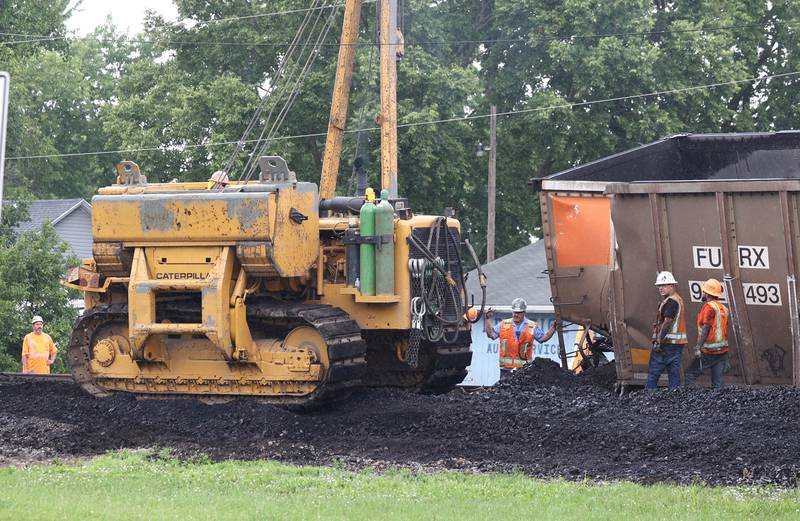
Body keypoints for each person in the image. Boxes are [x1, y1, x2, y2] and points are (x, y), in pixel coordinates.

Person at [485, 298, 558, 377]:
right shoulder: (503, 324)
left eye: (519, 313)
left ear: (524, 313)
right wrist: (488, 319)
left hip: (524, 370)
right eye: (514, 312)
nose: (516, 315)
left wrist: (553, 328)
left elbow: (543, 338)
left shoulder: (531, 326)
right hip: (506, 370)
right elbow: (491, 335)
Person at [685, 278, 730, 388]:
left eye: (704, 291)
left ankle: (692, 401)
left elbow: (706, 327)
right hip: (722, 351)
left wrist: (698, 346)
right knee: (717, 382)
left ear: (708, 293)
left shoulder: (708, 307)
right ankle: (719, 403)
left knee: (689, 374)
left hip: (709, 351)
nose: (703, 293)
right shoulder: (723, 308)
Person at [647, 271, 688, 389]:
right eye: (659, 286)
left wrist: (659, 340)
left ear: (672, 286)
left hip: (666, 344)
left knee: (654, 372)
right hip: (676, 344)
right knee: (674, 372)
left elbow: (668, 321)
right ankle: (673, 398)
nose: (661, 288)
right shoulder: (677, 299)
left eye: (664, 285)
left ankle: (649, 398)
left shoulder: (671, 301)